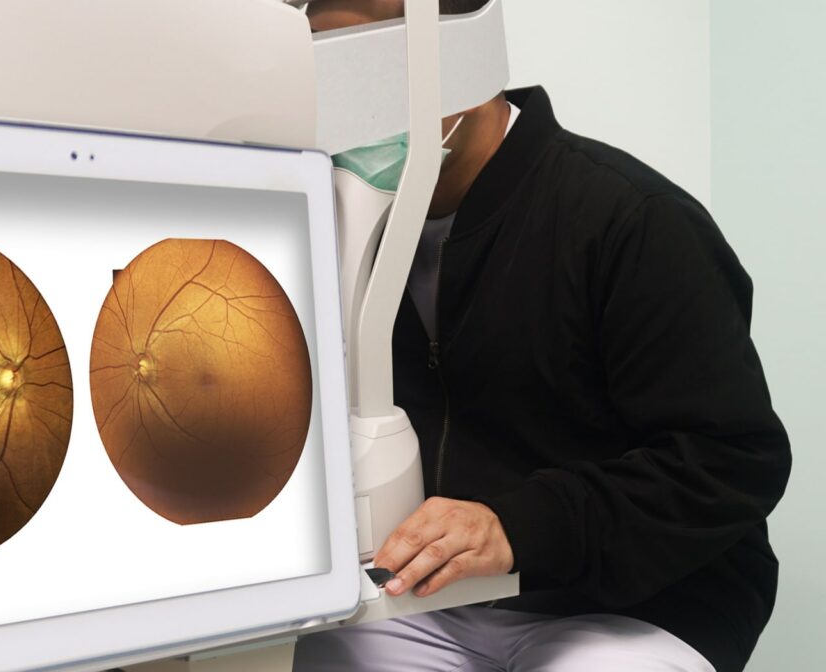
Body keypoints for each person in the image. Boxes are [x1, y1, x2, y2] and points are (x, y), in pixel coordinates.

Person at [292, 1, 791, 671]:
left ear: (462, 57)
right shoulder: (345, 233)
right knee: (300, 654)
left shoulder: (631, 221)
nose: (356, 108)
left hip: (641, 604)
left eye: (374, 71)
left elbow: (732, 460)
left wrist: (520, 527)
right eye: (332, 76)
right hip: (435, 604)